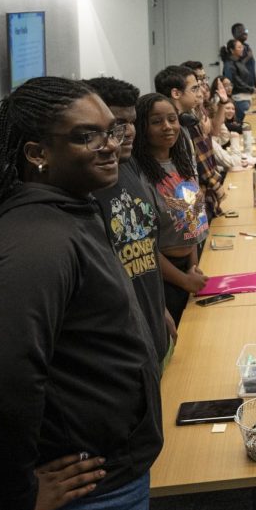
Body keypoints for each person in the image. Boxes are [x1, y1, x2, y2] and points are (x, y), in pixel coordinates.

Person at [0, 77, 162, 510]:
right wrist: (15, 498)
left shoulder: (69, 211)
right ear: (37, 154)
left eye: (113, 130)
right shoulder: (35, 243)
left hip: (104, 481)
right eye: (87, 136)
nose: (110, 145)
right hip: (80, 498)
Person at [84, 76, 175, 369]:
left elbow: (144, 248)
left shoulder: (129, 166)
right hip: (121, 353)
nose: (130, 132)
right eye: (117, 123)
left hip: (151, 326)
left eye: (132, 121)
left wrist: (159, 307)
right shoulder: (86, 188)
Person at [133, 92, 209, 326]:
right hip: (164, 276)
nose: (168, 127)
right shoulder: (138, 175)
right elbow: (145, 246)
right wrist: (184, 281)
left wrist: (193, 267)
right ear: (141, 128)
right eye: (156, 122)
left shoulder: (181, 161)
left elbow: (191, 220)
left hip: (189, 266)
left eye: (172, 119)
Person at [156, 64, 224, 220]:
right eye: (194, 89)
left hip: (194, 203)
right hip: (181, 210)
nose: (199, 94)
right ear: (176, 93)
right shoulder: (171, 131)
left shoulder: (187, 122)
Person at [221, 38, 256, 124]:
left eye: (242, 47)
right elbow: (236, 82)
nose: (242, 49)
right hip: (239, 99)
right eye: (239, 47)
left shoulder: (238, 61)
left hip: (246, 97)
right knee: (245, 124)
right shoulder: (229, 64)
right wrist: (251, 89)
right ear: (232, 50)